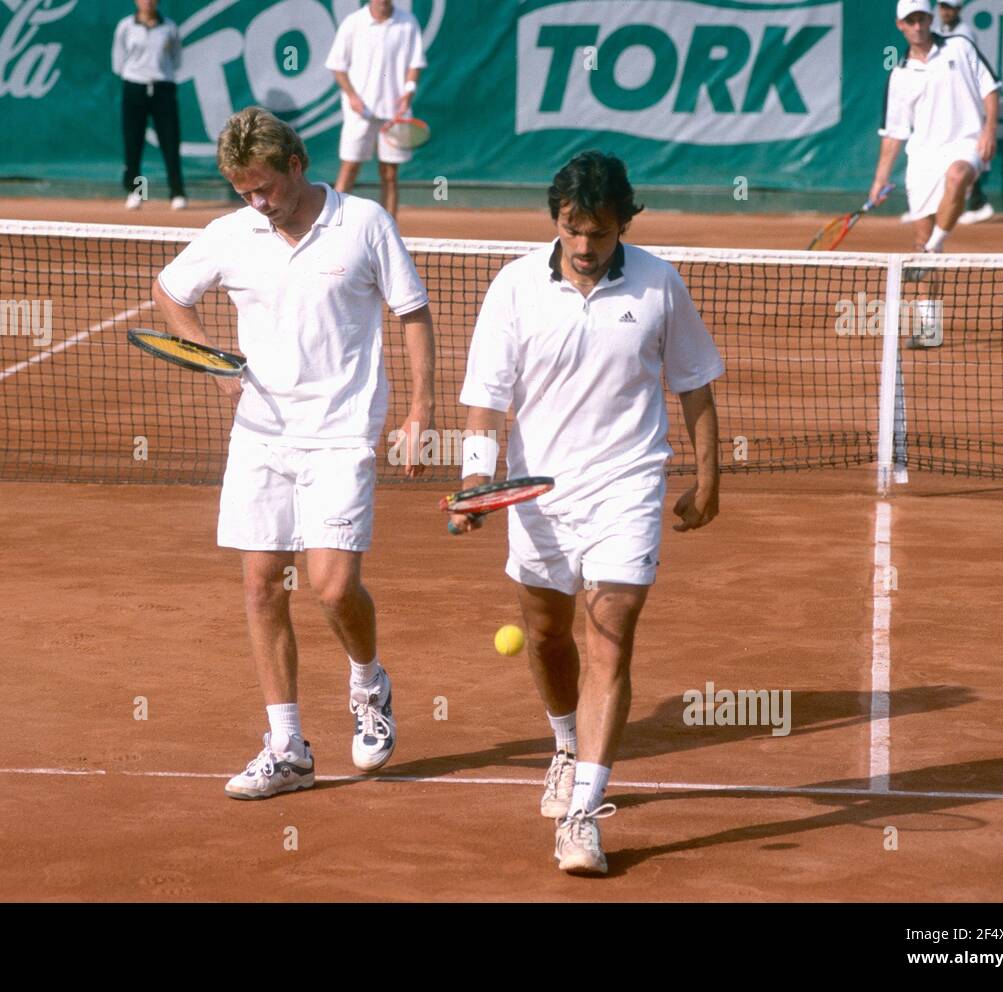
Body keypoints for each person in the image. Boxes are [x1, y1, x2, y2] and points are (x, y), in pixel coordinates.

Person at [451, 152, 724, 875]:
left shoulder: (660, 284)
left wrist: (709, 477)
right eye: (571, 229)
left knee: (609, 636)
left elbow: (694, 383)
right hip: (537, 495)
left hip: (626, 487)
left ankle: (584, 815)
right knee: (546, 635)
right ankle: (566, 745)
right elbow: (486, 395)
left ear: (623, 225)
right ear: (555, 220)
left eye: (598, 233)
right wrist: (479, 478)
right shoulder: (513, 287)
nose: (582, 247)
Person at [152, 107, 435, 799]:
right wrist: (215, 363)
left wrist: (421, 410)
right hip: (260, 434)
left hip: (341, 434)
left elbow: (413, 314)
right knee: (260, 585)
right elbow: (169, 291)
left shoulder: (366, 222)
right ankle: (287, 748)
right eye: (244, 190)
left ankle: (369, 683)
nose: (257, 201)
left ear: (297, 166)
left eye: (266, 187)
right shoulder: (232, 232)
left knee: (332, 587)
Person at [870, 0, 1000, 254]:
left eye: (922, 19)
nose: (917, 26)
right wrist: (879, 181)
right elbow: (893, 135)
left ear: (931, 20)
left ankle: (935, 244)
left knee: (958, 174)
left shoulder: (961, 46)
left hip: (965, 143)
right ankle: (926, 291)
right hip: (922, 160)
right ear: (900, 25)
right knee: (920, 240)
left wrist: (989, 130)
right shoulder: (899, 75)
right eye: (911, 21)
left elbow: (991, 88)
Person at [325, 0, 426, 219]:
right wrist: (353, 97)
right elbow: (337, 65)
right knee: (349, 168)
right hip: (359, 113)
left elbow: (414, 64)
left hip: (394, 113)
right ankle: (332, 223)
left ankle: (389, 226)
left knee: (390, 174)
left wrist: (408, 92)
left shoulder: (408, 23)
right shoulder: (353, 23)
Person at [112, 0, 187, 210]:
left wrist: (158, 74)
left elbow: (176, 60)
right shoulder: (125, 27)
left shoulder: (170, 27)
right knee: (133, 144)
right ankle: (137, 193)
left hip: (163, 88)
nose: (148, 2)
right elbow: (118, 61)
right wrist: (137, 75)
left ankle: (177, 193)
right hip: (134, 88)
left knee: (170, 143)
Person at [932, 0, 994, 224]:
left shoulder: (965, 35)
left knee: (967, 152)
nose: (945, 11)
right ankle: (933, 206)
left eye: (950, 7)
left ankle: (978, 203)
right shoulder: (935, 30)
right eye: (942, 6)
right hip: (944, 102)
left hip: (967, 101)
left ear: (958, 9)